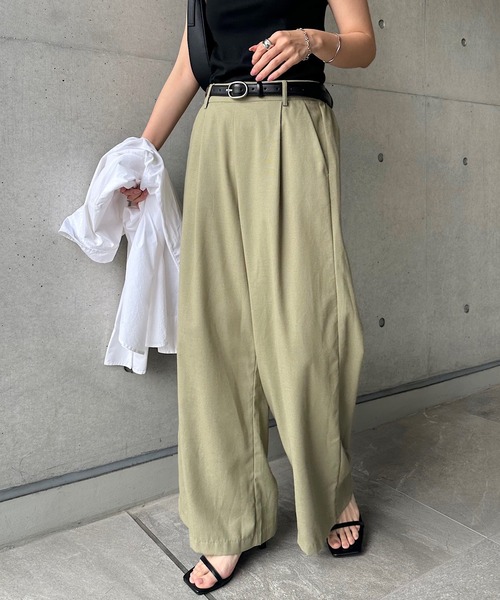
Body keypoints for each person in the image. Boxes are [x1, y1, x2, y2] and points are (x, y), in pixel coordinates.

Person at [121, 0, 376, 594]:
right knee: (215, 333)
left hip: (294, 122)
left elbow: (362, 42)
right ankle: (229, 517)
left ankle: (330, 490)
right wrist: (144, 151)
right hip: (217, 130)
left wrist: (312, 40)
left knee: (307, 329)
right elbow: (191, 60)